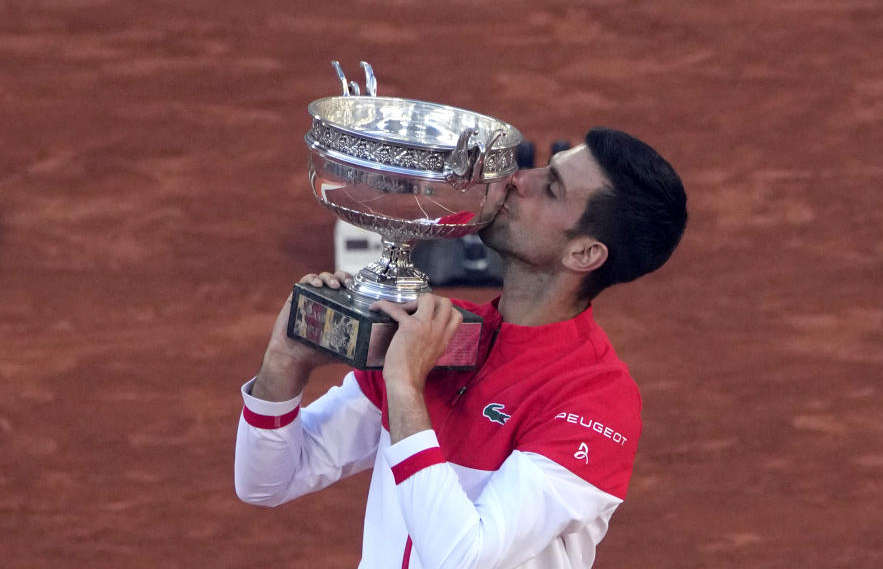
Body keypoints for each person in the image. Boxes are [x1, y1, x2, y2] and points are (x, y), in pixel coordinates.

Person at [234, 127, 688, 569]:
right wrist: (285, 360)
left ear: (584, 254)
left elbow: (464, 555)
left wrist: (407, 388)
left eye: (550, 188)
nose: (517, 179)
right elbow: (267, 481)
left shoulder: (594, 399)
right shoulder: (440, 331)